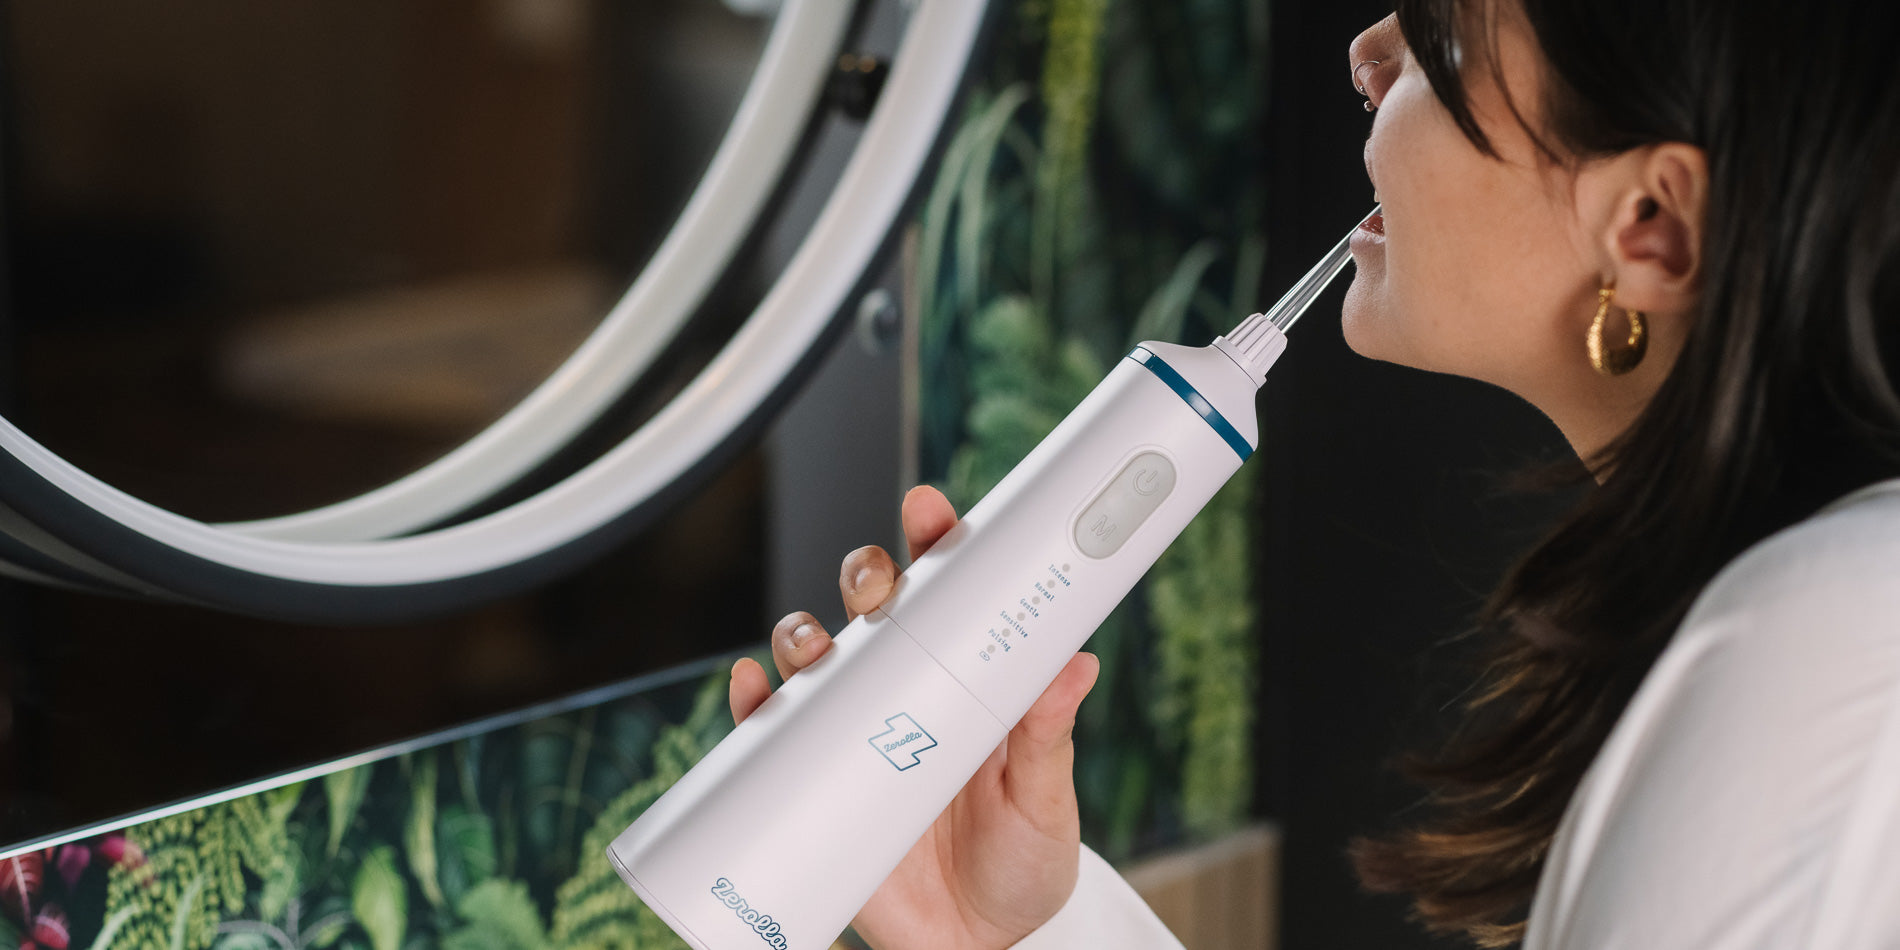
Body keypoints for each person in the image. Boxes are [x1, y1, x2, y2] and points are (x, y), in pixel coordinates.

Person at [729, 0, 1900, 945]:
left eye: (1443, 35)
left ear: (1649, 225)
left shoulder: (1824, 636)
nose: (1368, 53)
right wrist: (1017, 928)